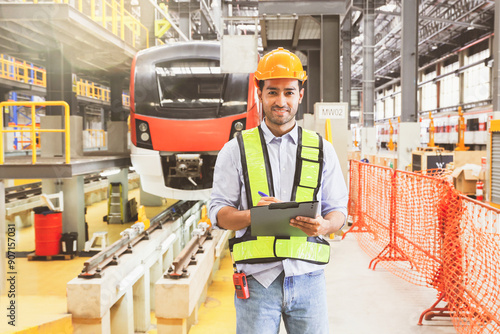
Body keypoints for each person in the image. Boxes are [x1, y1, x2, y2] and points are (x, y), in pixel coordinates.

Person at [209, 47, 348, 333]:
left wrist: (323, 225)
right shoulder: (234, 151)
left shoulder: (323, 150)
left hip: (309, 278)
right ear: (260, 94)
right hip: (257, 281)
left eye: (288, 92)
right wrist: (255, 215)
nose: (280, 101)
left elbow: (339, 210)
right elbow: (219, 214)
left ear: (300, 94)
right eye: (272, 92)